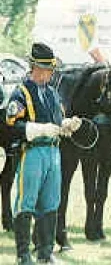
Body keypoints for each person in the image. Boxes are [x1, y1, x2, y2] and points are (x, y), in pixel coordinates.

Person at [6, 43, 82, 264]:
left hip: (53, 152)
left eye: (51, 70)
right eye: (47, 69)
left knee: (50, 203)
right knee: (26, 202)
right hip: (32, 152)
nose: (50, 74)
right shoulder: (21, 93)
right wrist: (38, 128)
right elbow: (12, 125)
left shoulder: (52, 93)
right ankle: (23, 254)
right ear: (35, 68)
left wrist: (67, 125)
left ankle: (45, 252)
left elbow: (58, 120)